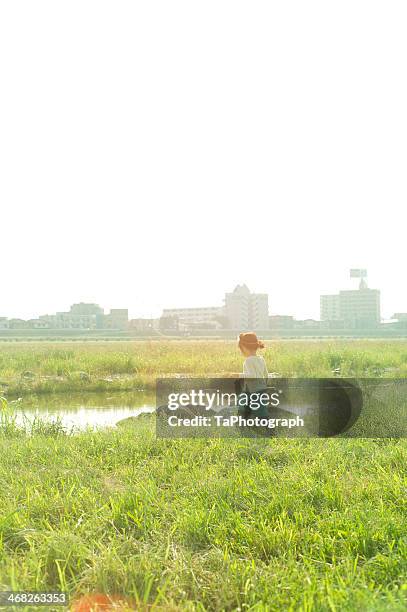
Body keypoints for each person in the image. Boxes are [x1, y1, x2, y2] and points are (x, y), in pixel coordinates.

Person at [237, 332, 271, 435]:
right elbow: (266, 375)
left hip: (252, 391)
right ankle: (269, 430)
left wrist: (239, 375)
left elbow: (251, 375)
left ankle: (242, 429)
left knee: (243, 408)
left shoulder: (248, 361)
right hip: (261, 389)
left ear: (244, 347)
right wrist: (264, 385)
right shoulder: (261, 359)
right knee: (262, 411)